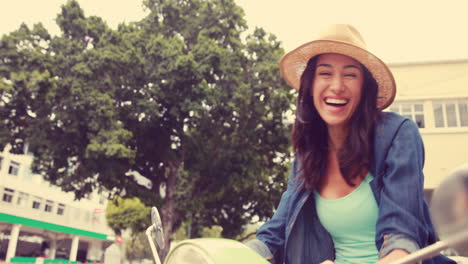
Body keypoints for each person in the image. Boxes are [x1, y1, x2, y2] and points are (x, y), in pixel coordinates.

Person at [246, 24, 455, 264]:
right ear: (310, 85)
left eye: (350, 74)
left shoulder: (399, 134)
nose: (337, 86)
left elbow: (402, 236)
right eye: (325, 73)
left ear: (364, 86)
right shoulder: (307, 155)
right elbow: (274, 235)